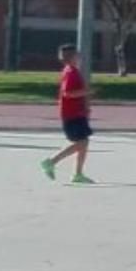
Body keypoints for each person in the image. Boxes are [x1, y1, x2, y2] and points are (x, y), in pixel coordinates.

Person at [39, 43, 95, 183]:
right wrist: (86, 92)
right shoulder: (70, 72)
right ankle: (52, 161)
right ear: (72, 57)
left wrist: (85, 107)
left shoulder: (72, 71)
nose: (80, 57)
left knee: (84, 141)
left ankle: (77, 174)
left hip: (77, 113)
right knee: (82, 142)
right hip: (72, 114)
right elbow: (67, 93)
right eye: (77, 55)